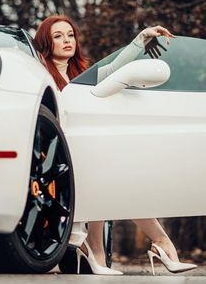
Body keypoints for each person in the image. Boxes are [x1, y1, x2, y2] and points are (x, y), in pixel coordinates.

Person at [34, 15, 197, 275]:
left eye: (70, 35)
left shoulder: (83, 74)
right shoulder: (38, 75)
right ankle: (154, 245)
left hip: (88, 152)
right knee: (105, 176)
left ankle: (128, 248)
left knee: (116, 174)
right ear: (45, 42)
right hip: (53, 158)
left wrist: (142, 38)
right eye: (58, 36)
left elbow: (116, 69)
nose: (67, 41)